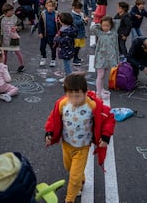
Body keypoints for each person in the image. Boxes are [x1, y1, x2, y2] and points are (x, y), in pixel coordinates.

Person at [45, 73, 116, 203]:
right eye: (70, 96)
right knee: (69, 168)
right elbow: (53, 119)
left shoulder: (93, 105)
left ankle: (70, 198)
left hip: (82, 147)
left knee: (74, 175)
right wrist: (49, 132)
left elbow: (109, 118)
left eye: (77, 96)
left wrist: (105, 137)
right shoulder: (62, 104)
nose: (74, 100)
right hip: (66, 145)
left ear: (86, 92)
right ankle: (81, 180)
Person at [91, 16, 120, 98]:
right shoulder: (100, 33)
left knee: (104, 75)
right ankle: (98, 93)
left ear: (111, 26)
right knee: (100, 75)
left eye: (107, 26)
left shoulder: (114, 32)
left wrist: (110, 22)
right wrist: (100, 25)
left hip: (110, 58)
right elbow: (93, 28)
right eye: (103, 25)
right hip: (101, 58)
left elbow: (117, 22)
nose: (105, 27)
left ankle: (101, 89)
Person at [0, 3, 25, 72]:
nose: (12, 12)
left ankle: (22, 65)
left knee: (17, 51)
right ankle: (4, 66)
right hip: (4, 38)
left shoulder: (15, 18)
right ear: (5, 12)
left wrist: (17, 28)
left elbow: (20, 26)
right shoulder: (2, 18)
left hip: (13, 38)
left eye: (12, 10)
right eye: (10, 11)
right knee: (4, 53)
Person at [54, 13, 78, 82]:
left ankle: (69, 81)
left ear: (63, 21)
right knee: (66, 65)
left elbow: (63, 40)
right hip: (68, 50)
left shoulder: (66, 31)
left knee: (67, 66)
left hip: (66, 51)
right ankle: (66, 77)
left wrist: (56, 38)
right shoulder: (70, 28)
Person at [38, 0, 59, 67]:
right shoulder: (43, 14)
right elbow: (40, 24)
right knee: (42, 47)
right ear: (46, 6)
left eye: (52, 6)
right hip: (44, 35)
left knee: (53, 48)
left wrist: (59, 33)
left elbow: (59, 24)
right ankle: (43, 57)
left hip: (53, 35)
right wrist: (40, 32)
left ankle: (53, 60)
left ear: (54, 6)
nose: (50, 8)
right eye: (49, 6)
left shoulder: (56, 14)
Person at [71, 1, 88, 65]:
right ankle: (74, 59)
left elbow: (82, 23)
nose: (79, 10)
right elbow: (76, 23)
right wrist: (83, 20)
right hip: (76, 34)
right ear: (74, 8)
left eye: (80, 8)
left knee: (79, 47)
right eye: (78, 8)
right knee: (76, 47)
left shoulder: (80, 14)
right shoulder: (73, 15)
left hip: (81, 33)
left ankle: (76, 57)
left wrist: (85, 21)